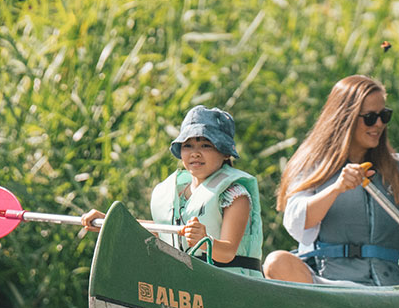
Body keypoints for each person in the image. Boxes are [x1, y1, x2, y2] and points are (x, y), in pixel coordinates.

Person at [263, 75, 399, 285]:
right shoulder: (311, 164)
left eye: (384, 116)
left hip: (387, 284)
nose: (378, 124)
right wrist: (336, 188)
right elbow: (297, 222)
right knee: (276, 261)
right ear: (345, 117)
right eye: (369, 117)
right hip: (329, 281)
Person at [80, 106, 264, 277]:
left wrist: (205, 239)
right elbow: (163, 232)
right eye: (188, 145)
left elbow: (228, 252)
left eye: (206, 145)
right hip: (190, 280)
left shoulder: (234, 194)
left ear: (225, 153)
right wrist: (111, 222)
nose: (195, 153)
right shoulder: (179, 194)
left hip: (228, 280)